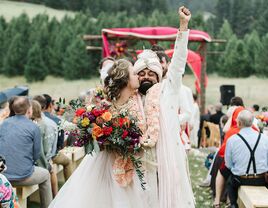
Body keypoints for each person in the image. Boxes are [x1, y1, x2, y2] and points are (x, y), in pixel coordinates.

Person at [49, 59, 148, 208]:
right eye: (134, 73)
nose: (138, 76)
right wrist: (104, 138)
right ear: (126, 79)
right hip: (104, 163)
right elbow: (93, 135)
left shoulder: (138, 104)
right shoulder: (104, 108)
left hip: (128, 165)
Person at [134, 6, 195, 207]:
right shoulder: (131, 99)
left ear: (159, 76)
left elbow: (178, 63)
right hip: (138, 162)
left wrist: (183, 27)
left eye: (150, 73)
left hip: (166, 159)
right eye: (141, 73)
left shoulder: (168, 92)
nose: (146, 77)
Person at [0, 96, 52, 208]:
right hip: (23, 176)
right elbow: (36, 155)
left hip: (3, 175)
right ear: (29, 110)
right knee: (46, 175)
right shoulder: (33, 127)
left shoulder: (4, 124)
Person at [225, 110, 268, 208]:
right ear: (252, 122)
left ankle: (233, 204)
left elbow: (228, 164)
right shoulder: (265, 138)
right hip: (260, 180)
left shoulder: (232, 140)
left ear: (239, 123)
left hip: (240, 180)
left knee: (230, 181)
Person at [31, 100, 58, 197]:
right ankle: (54, 198)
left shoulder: (37, 124)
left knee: (49, 166)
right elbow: (45, 151)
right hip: (39, 160)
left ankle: (55, 196)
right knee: (49, 169)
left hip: (35, 160)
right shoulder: (41, 124)